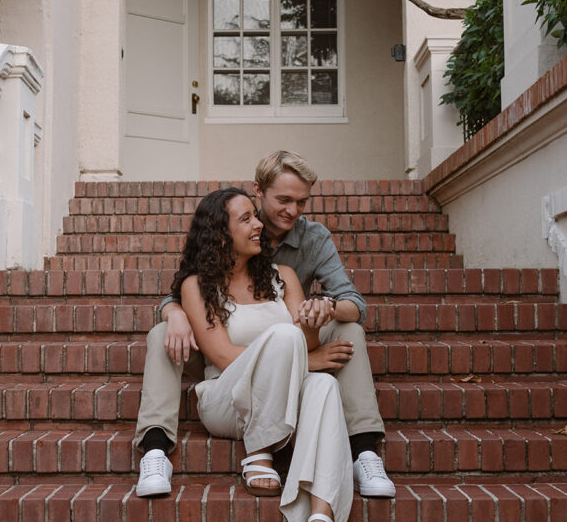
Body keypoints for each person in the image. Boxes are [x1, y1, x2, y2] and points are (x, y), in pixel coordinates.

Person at [134, 150, 394, 500]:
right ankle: (155, 447)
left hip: (289, 351)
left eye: (301, 202)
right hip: (231, 367)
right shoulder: (204, 272)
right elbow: (214, 334)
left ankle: (363, 450)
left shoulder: (297, 258)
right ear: (259, 193)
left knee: (346, 333)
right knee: (163, 331)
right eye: (283, 200)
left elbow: (341, 311)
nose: (292, 210)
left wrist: (321, 311)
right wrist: (175, 311)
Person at [170, 186, 353, 522]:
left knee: (324, 386)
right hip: (226, 399)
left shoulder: (282, 277)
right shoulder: (197, 285)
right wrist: (309, 360)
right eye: (247, 219)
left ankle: (321, 519)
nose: (258, 225)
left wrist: (314, 323)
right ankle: (258, 450)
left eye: (255, 216)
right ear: (221, 234)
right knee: (290, 342)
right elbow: (220, 354)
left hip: (282, 399)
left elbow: (304, 342)